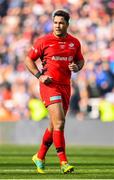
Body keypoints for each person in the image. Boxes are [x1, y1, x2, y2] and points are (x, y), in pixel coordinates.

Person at [25, 9, 84, 174]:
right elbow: (28, 59)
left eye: (61, 23)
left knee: (54, 125)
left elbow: (80, 60)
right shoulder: (44, 41)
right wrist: (39, 76)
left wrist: (77, 66)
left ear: (67, 24)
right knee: (60, 123)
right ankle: (63, 162)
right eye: (55, 22)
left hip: (66, 86)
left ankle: (39, 156)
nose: (57, 26)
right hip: (50, 85)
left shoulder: (74, 42)